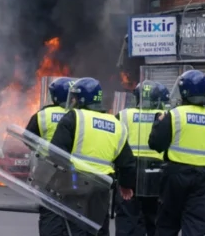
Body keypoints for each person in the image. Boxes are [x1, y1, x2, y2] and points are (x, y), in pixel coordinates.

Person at [49, 77, 135, 236]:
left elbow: (55, 152)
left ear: (81, 99)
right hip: (102, 185)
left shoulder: (74, 117)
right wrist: (126, 185)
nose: (72, 101)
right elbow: (127, 162)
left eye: (74, 97)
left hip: (75, 182)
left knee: (76, 227)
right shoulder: (116, 124)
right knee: (99, 228)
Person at [148, 69, 205, 236]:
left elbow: (155, 144)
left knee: (167, 224)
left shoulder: (174, 115)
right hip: (201, 178)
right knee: (195, 225)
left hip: (174, 176)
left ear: (184, 91)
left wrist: (158, 123)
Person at [114, 81, 170, 236]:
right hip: (157, 173)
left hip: (130, 171)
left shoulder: (124, 115)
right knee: (154, 219)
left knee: (127, 216)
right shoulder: (164, 117)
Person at [24, 77, 71, 236]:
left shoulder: (43, 115)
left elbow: (28, 139)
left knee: (49, 210)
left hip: (48, 169)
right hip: (75, 172)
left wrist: (40, 151)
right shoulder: (79, 114)